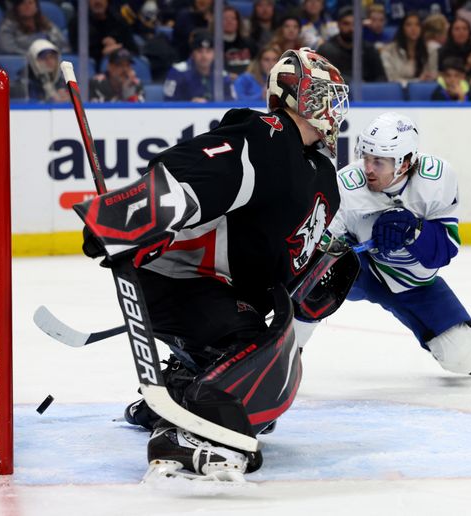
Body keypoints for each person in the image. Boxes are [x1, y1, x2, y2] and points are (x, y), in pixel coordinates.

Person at [80, 47, 349, 480]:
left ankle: (180, 388)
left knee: (265, 384)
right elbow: (199, 166)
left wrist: (312, 280)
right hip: (179, 277)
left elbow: (280, 254)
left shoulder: (320, 174)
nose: (335, 109)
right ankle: (186, 432)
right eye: (325, 95)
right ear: (299, 96)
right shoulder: (267, 135)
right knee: (251, 359)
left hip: (220, 292)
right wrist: (136, 214)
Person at [310, 112, 471, 379]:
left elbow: (445, 251)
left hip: (414, 284)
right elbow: (320, 243)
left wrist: (414, 231)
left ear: (406, 162)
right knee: (312, 288)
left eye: (379, 161)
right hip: (359, 270)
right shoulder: (347, 185)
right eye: (366, 157)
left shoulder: (436, 180)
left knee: (461, 358)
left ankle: (470, 360)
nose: (368, 169)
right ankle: (290, 352)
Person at [162, 29, 236, 102]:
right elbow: (168, 101)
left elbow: (231, 103)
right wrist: (190, 104)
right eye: (199, 51)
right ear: (193, 54)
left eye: (208, 51)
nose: (204, 56)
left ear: (214, 54)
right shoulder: (177, 72)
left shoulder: (222, 76)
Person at [318, 6, 385, 83]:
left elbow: (381, 77)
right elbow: (321, 79)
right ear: (338, 25)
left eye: (355, 24)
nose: (351, 29)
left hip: (366, 92)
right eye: (346, 24)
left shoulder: (369, 49)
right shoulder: (326, 50)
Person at [67, 0, 137, 74]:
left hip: (119, 64)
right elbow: (76, 53)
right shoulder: (77, 22)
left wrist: (118, 48)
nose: (97, 1)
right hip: (88, 71)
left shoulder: (119, 20)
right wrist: (102, 53)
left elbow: (134, 50)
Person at [0, 0, 70, 55]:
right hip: (23, 61)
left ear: (36, 7)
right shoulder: (7, 26)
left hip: (50, 60)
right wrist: (34, 56)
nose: (27, 6)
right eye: (23, 3)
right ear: (17, 7)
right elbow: (8, 48)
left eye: (30, 3)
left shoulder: (46, 24)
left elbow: (62, 44)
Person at [381, 11, 436, 85]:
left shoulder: (430, 50)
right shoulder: (389, 51)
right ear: (402, 28)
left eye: (417, 25)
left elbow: (432, 77)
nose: (414, 29)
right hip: (397, 91)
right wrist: (417, 81)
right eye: (409, 25)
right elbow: (391, 79)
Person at [10, 38, 69, 102]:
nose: (49, 61)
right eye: (43, 58)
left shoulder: (64, 82)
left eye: (52, 57)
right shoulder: (23, 85)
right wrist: (51, 98)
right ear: (33, 60)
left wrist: (69, 99)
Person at [220, 5, 258, 79]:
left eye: (233, 18)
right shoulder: (214, 44)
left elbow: (257, 63)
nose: (229, 21)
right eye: (225, 18)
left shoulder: (249, 42)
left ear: (238, 22)